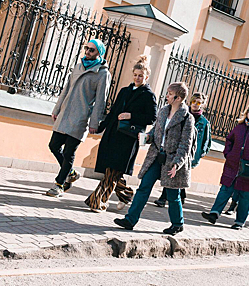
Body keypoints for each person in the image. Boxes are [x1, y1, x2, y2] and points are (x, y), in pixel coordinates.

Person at [114, 82, 195, 235]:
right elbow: (156, 133)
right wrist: (147, 137)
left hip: (172, 160)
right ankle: (130, 220)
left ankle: (178, 224)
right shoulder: (163, 111)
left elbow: (186, 144)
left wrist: (177, 164)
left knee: (172, 195)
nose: (167, 96)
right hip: (156, 155)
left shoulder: (187, 118)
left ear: (178, 98)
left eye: (170, 94)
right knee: (144, 187)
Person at [84, 55, 157, 211]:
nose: (137, 78)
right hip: (113, 134)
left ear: (146, 76)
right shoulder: (124, 91)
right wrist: (100, 127)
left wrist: (131, 116)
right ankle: (126, 194)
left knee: (113, 169)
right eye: (135, 75)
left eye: (141, 76)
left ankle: (97, 202)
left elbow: (152, 117)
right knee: (113, 169)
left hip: (128, 138)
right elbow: (113, 112)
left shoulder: (148, 95)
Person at [45, 39, 111, 197]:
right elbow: (66, 89)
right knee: (54, 145)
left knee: (69, 152)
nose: (88, 52)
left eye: (92, 50)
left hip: (81, 118)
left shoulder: (102, 74)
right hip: (65, 114)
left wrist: (94, 123)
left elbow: (100, 101)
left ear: (99, 53)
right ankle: (72, 173)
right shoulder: (78, 67)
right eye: (86, 48)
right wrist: (57, 109)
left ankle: (59, 185)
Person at [201, 102, 249, 230]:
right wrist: (228, 154)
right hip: (233, 165)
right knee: (225, 189)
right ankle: (214, 213)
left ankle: (239, 222)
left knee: (245, 196)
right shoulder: (240, 126)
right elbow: (229, 140)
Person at [154, 92, 212, 207]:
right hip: (177, 150)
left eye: (199, 102)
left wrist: (200, 154)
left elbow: (207, 141)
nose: (195, 104)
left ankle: (176, 196)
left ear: (202, 105)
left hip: (191, 154)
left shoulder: (204, 122)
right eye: (194, 101)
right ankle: (166, 197)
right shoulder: (182, 115)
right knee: (172, 172)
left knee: (178, 174)